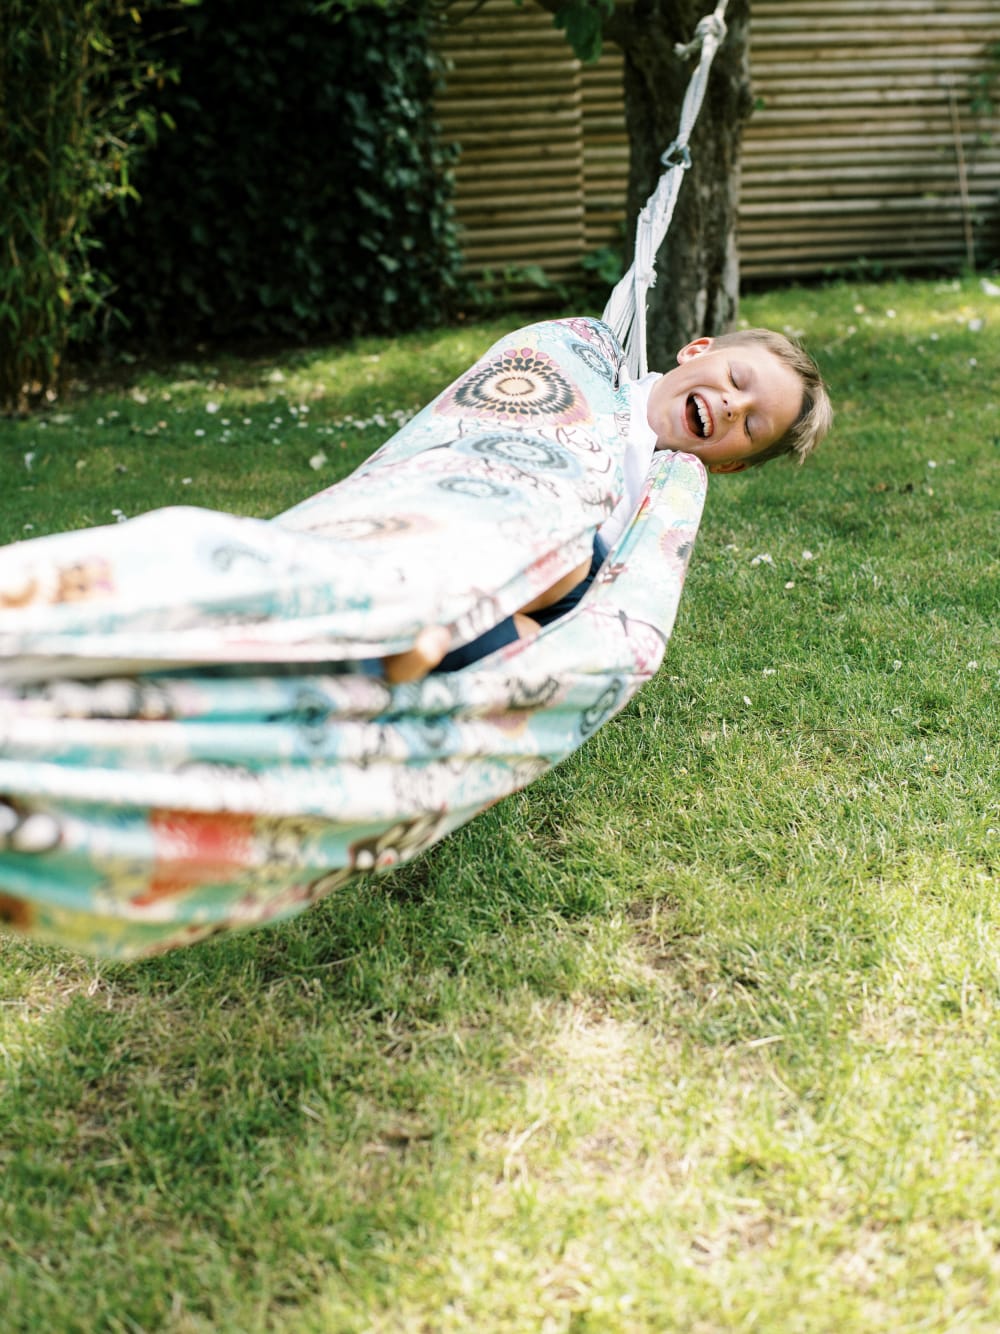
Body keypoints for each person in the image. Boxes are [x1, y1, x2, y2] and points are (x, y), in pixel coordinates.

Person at [385, 325, 832, 682]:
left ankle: (429, 642)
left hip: (578, 573)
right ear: (695, 351)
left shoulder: (674, 484)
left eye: (752, 425)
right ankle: (433, 634)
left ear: (730, 466)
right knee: (560, 562)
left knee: (551, 640)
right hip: (518, 504)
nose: (734, 405)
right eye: (736, 379)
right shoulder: (605, 385)